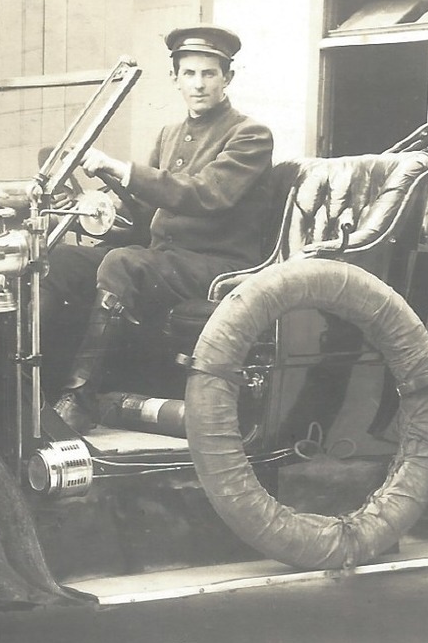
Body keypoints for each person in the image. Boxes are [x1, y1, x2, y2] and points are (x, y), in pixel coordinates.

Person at [43, 25, 275, 432]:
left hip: (217, 266)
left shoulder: (249, 135)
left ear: (228, 79)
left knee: (122, 264)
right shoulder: (169, 135)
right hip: (164, 260)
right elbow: (143, 210)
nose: (199, 84)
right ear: (175, 79)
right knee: (59, 260)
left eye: (209, 74)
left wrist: (122, 169)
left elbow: (206, 194)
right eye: (189, 74)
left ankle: (78, 400)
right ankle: (41, 389)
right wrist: (98, 209)